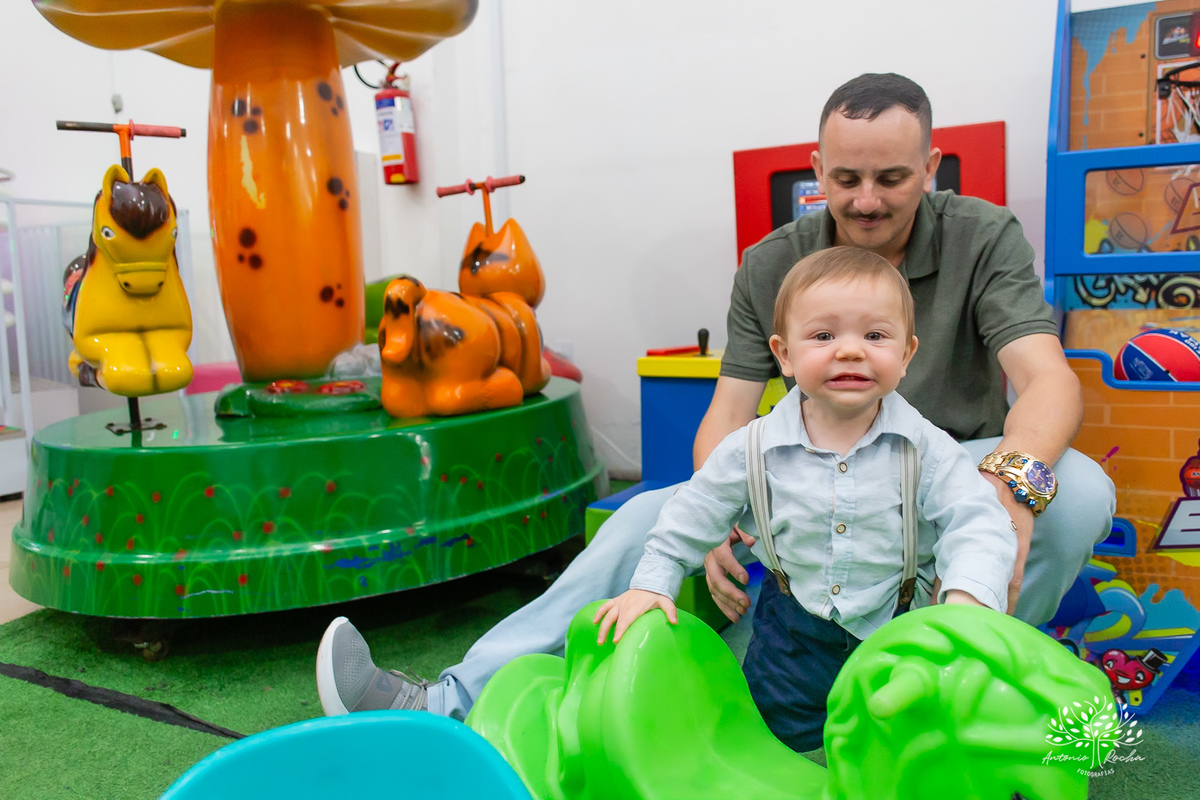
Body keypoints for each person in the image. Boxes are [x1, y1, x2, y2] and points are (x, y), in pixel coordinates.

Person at [314, 73, 1115, 726]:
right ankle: (443, 705)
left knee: (1075, 492)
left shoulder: (982, 235)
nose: (866, 199)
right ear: (817, 167)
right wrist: (719, 522)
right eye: (846, 178)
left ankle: (949, 691)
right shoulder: (775, 263)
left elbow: (1045, 377)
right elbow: (731, 412)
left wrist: (1014, 480)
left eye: (892, 178)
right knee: (641, 519)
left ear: (931, 167)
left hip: (933, 480)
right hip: (809, 468)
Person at [593, 246, 1018, 750]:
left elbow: (976, 520)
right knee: (771, 742)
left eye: (876, 335)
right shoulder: (752, 446)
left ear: (905, 356)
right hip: (791, 633)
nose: (850, 350)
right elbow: (692, 513)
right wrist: (654, 582)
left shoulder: (927, 448)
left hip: (896, 626)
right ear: (785, 355)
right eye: (823, 335)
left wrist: (967, 598)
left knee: (897, 738)